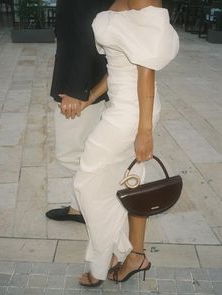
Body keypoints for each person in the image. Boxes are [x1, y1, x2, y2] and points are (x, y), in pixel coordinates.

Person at [72, 0, 179, 287]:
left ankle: (106, 260)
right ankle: (127, 255)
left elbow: (147, 69)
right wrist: (90, 98)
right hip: (122, 107)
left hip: (133, 113)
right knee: (117, 185)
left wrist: (145, 130)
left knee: (86, 182)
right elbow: (118, 64)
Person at [46, 0, 114, 223]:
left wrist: (77, 90)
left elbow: (87, 32)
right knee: (85, 147)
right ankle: (80, 207)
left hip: (80, 85)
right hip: (89, 79)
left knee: (70, 152)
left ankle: (100, 201)